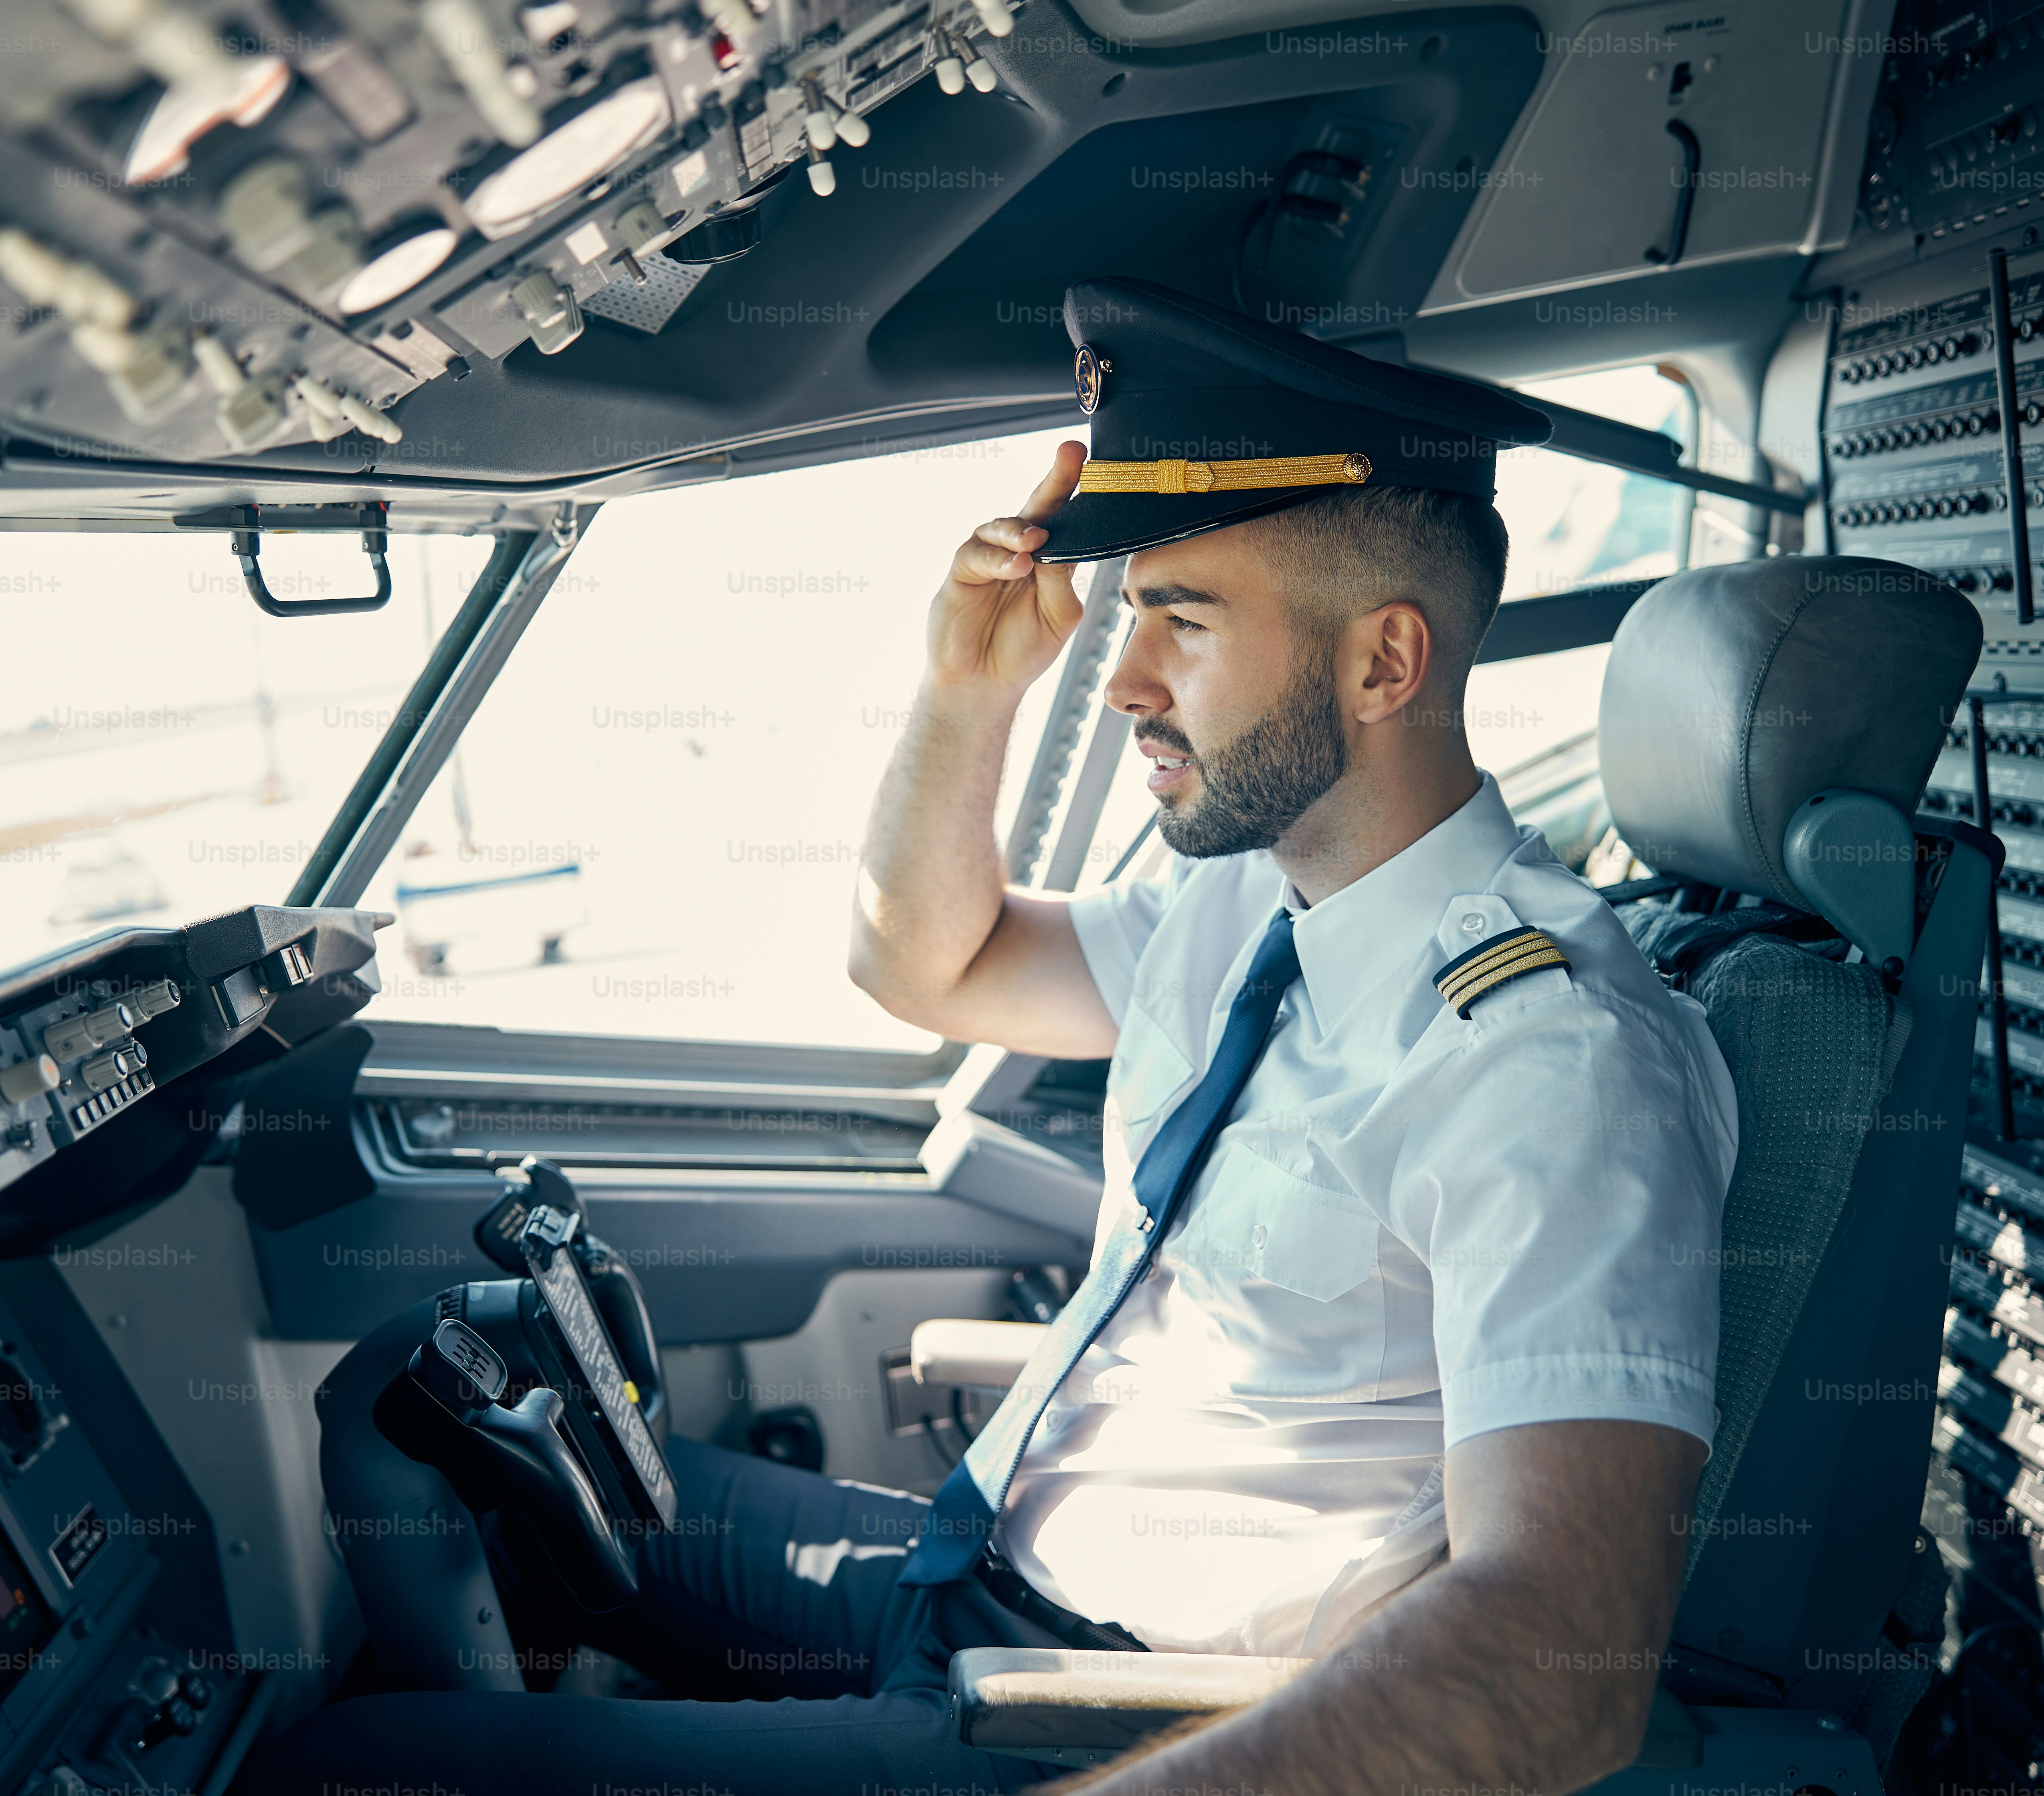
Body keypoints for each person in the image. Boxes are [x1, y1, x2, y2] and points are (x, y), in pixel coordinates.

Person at [239, 278, 1735, 1796]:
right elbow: (925, 962)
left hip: (1107, 1711)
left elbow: (1564, 1660)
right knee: (414, 1404)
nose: (1128, 675)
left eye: (1186, 621)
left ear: (1383, 665)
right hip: (955, 1569)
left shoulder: (1551, 1061)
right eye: (1133, 608)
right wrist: (964, 692)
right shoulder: (1246, 897)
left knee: (354, 1772)